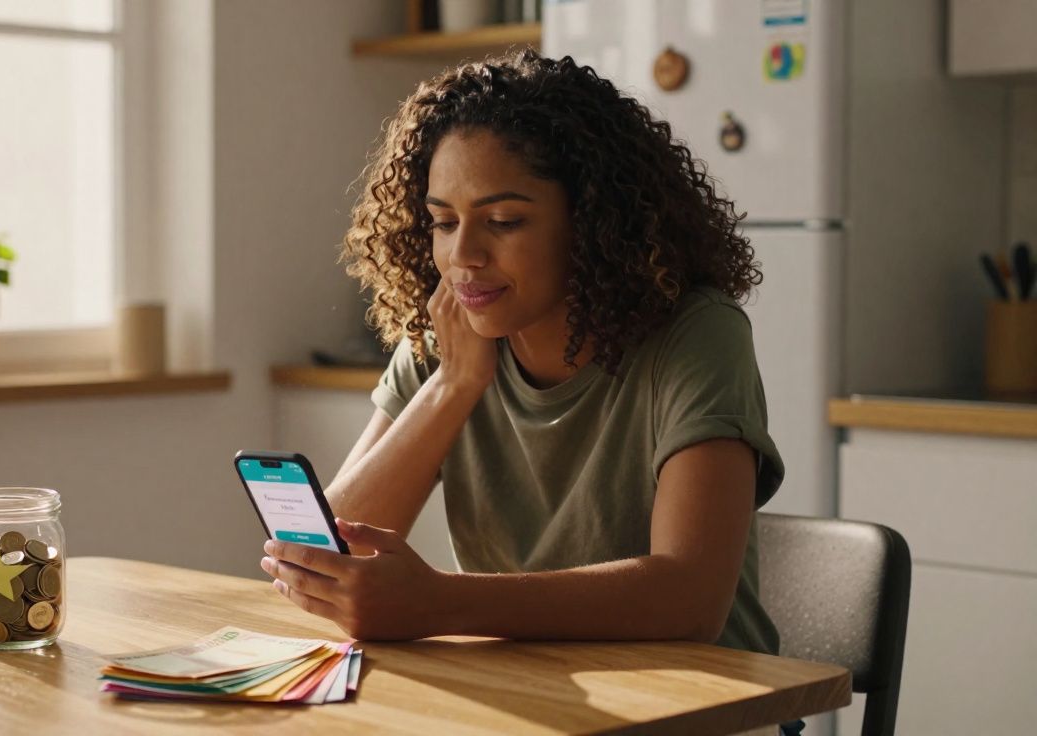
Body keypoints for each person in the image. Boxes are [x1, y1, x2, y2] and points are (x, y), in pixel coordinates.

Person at [259, 49, 796, 736]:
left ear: (596, 222)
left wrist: (443, 605)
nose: (464, 257)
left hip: (701, 711)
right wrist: (453, 386)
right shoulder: (450, 335)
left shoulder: (695, 335)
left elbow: (690, 597)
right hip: (529, 703)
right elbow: (327, 555)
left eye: (504, 221)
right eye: (444, 222)